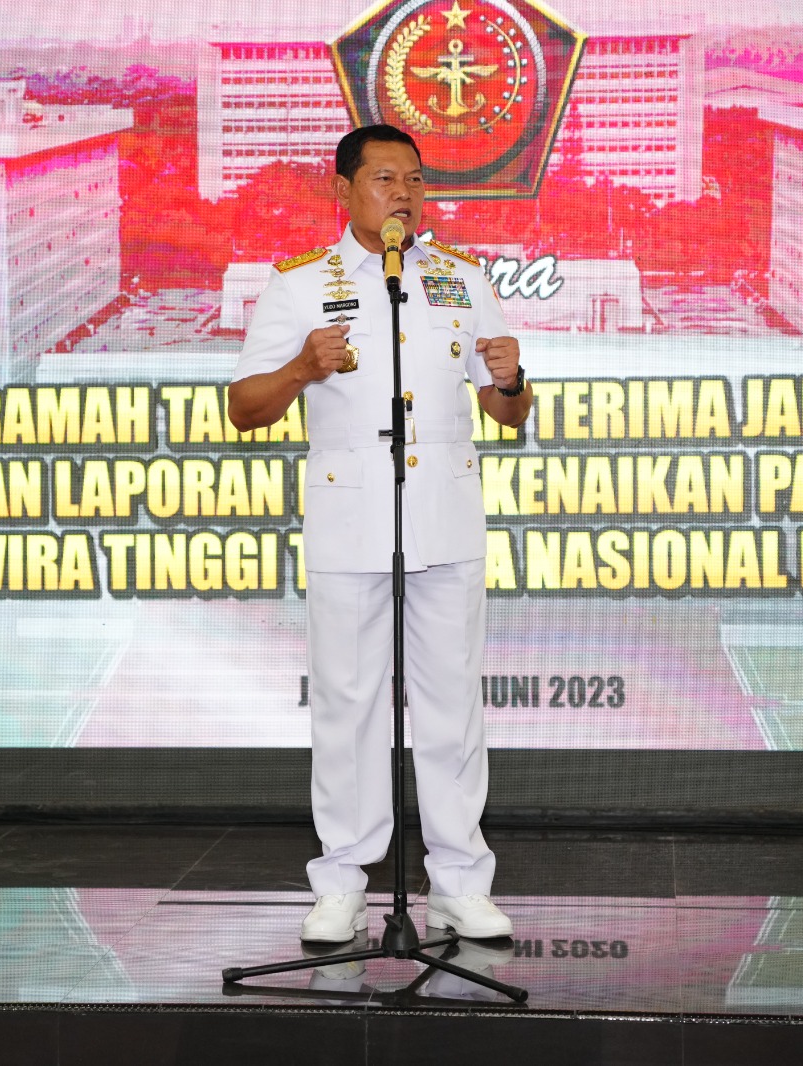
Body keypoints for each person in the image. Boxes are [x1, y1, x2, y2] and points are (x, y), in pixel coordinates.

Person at [228, 125, 532, 942]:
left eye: (415, 180)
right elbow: (244, 409)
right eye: (385, 178)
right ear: (343, 190)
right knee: (348, 704)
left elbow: (505, 410)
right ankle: (342, 883)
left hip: (445, 516)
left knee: (451, 703)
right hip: (349, 518)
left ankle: (460, 883)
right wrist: (302, 367)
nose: (403, 193)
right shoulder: (298, 285)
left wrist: (512, 383)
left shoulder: (462, 278)